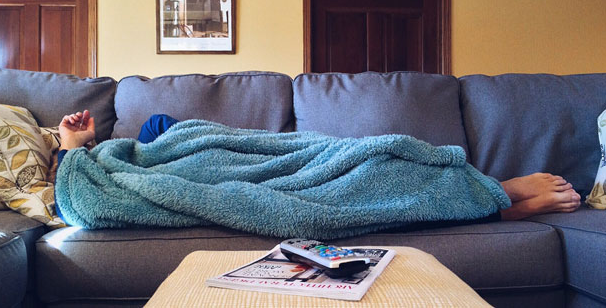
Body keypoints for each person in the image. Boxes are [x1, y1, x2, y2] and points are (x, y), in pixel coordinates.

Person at [57, 110, 582, 221]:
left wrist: (180, 138)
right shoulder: (107, 157)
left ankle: (495, 195)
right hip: (162, 156)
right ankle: (499, 198)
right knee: (368, 180)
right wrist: (74, 146)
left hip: (261, 152)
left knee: (374, 155)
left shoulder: (158, 132)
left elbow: (243, 147)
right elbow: (82, 197)